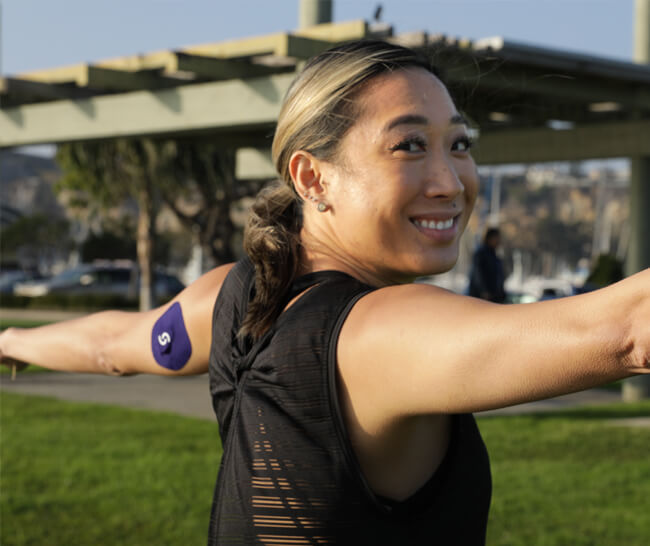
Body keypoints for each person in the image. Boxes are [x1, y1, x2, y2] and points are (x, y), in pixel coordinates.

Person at [1, 40, 649, 545]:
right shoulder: (377, 333)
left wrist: (12, 340)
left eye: (459, 144)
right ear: (312, 177)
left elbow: (116, 344)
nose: (450, 181)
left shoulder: (236, 295)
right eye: (409, 146)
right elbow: (625, 332)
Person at [468, 227, 506, 302]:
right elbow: (477, 274)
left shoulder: (495, 255)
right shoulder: (481, 254)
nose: (498, 241)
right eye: (496, 238)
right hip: (482, 298)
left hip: (495, 298)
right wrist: (483, 291)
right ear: (489, 238)